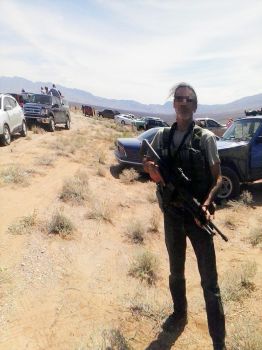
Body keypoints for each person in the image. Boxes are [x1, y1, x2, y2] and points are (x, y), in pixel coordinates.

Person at [143, 82, 226, 350]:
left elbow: (219, 179)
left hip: (198, 218)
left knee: (210, 284)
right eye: (179, 98)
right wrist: (151, 170)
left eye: (189, 99)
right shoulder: (163, 137)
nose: (183, 103)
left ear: (195, 105)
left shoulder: (206, 139)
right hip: (172, 217)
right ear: (173, 104)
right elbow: (149, 164)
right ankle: (179, 313)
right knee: (175, 272)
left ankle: (218, 341)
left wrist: (207, 204)